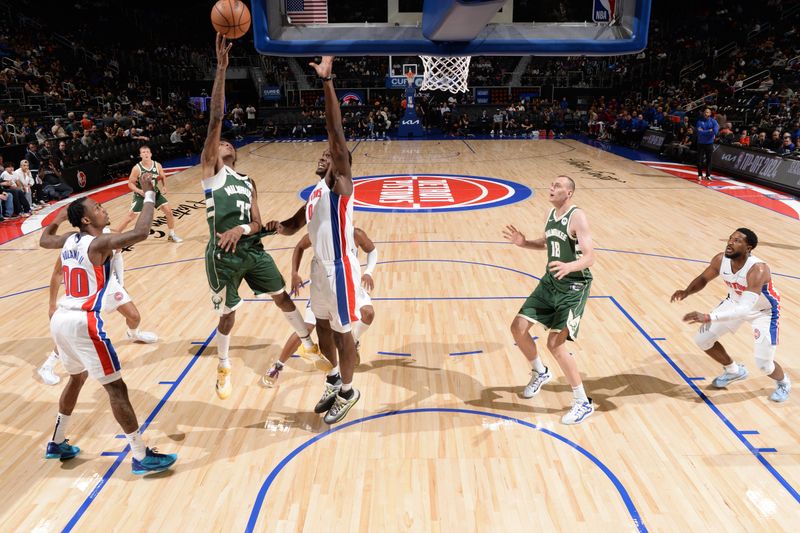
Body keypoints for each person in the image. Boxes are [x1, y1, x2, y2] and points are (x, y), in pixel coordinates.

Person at [201, 34, 321, 400]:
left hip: (251, 248)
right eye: (221, 143)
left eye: (228, 143)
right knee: (227, 316)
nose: (225, 144)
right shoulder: (212, 172)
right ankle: (224, 365)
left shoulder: (249, 181)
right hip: (222, 255)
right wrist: (221, 69)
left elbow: (255, 221)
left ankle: (307, 344)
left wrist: (250, 227)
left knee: (283, 296)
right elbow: (216, 117)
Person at [38, 178, 177, 473]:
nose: (103, 209)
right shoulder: (98, 242)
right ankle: (140, 456)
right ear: (87, 219)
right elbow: (140, 232)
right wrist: (151, 192)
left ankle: (57, 442)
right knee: (117, 389)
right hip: (83, 321)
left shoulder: (68, 240)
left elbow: (43, 239)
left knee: (76, 378)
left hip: (61, 320)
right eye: (97, 207)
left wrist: (59, 218)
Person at [277, 56, 362, 424]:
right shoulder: (314, 193)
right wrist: (252, 228)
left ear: (339, 162)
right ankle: (332, 380)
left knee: (344, 335)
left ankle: (348, 389)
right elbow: (290, 227)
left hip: (340, 267)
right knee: (323, 328)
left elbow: (334, 132)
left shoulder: (341, 183)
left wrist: (326, 83)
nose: (324, 154)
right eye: (324, 153)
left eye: (329, 154)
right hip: (318, 269)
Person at [503, 175, 596, 424]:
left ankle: (582, 403)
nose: (551, 187)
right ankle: (540, 372)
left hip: (574, 286)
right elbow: (548, 242)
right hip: (550, 281)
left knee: (555, 343)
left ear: (570, 193)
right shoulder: (550, 214)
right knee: (518, 328)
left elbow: (589, 257)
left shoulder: (578, 216)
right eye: (551, 184)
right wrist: (524, 243)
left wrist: (570, 266)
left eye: (557, 186)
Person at [671, 228, 790, 402]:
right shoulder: (720, 260)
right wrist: (687, 291)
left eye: (737, 240)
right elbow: (704, 278)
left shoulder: (758, 269)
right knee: (702, 340)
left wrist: (709, 317)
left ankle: (783, 382)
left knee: (764, 365)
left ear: (748, 247)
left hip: (763, 313)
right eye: (730, 239)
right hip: (734, 302)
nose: (730, 243)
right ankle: (734, 371)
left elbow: (745, 309)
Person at [38, 227, 158, 385]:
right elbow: (57, 273)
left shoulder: (109, 235)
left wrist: (120, 284)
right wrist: (52, 304)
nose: (103, 212)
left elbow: (118, 254)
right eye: (98, 209)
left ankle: (133, 334)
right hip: (89, 289)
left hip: (109, 284)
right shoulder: (76, 243)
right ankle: (47, 366)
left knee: (134, 316)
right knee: (74, 333)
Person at [263, 228, 377, 388]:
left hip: (350, 285)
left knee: (368, 313)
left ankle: (354, 339)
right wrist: (294, 273)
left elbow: (372, 250)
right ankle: (278, 365)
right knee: (306, 328)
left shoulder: (354, 233)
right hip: (323, 288)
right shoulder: (318, 232)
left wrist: (369, 272)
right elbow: (299, 247)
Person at [114, 145, 183, 242]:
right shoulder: (137, 168)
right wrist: (139, 191)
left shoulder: (157, 165)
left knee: (169, 211)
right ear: (140, 155)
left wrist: (164, 186)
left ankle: (171, 234)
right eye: (143, 152)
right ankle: (113, 236)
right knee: (130, 218)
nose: (145, 153)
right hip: (141, 195)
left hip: (155, 193)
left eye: (147, 152)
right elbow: (130, 183)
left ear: (150, 154)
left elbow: (163, 176)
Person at [695, 107, 718, 181]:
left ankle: (708, 175)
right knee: (699, 160)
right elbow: (699, 132)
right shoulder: (699, 121)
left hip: (709, 143)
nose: (706, 113)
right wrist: (709, 131)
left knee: (709, 160)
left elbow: (715, 131)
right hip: (700, 143)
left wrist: (704, 131)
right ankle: (700, 174)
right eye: (705, 112)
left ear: (710, 114)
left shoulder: (713, 121)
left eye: (707, 112)